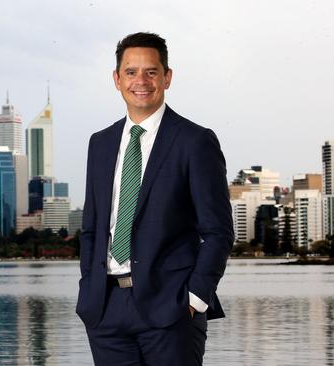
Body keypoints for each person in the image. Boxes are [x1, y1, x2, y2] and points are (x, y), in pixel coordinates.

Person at [76, 32, 234, 365]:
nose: (141, 81)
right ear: (117, 80)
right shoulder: (100, 143)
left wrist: (194, 299)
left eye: (151, 71)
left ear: (167, 77)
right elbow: (91, 228)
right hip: (105, 309)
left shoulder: (195, 141)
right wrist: (89, 290)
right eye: (131, 72)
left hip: (171, 308)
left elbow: (218, 232)